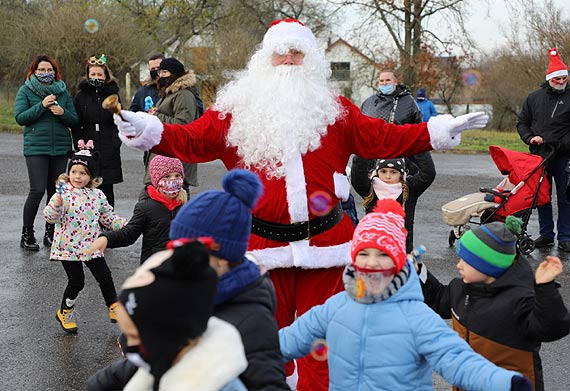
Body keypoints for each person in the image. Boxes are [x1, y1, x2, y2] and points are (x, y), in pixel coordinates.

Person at [112, 19, 488, 390]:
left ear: (309, 61)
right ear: (265, 60)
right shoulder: (236, 110)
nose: (289, 61)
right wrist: (148, 131)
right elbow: (192, 139)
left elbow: (382, 137)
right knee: (260, 346)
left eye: (296, 53)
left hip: (326, 249)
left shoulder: (333, 110)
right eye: (281, 54)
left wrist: (436, 131)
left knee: (322, 349)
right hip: (260, 252)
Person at [278, 199, 533, 391]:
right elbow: (289, 339)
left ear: (399, 261)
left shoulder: (416, 317)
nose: (373, 263)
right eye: (364, 254)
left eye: (383, 255)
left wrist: (504, 382)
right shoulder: (336, 307)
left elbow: (457, 360)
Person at [86, 169, 289, 390]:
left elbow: (269, 383)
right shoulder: (183, 289)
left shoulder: (252, 319)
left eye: (188, 249)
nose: (177, 258)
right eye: (176, 247)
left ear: (221, 255)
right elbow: (154, 359)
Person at [417, 216, 570, 391]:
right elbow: (438, 299)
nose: (458, 266)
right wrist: (419, 272)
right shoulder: (461, 288)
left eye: (466, 261)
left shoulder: (519, 300)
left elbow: (554, 327)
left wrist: (544, 288)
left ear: (487, 266)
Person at [115, 239, 248, 391]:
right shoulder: (163, 361)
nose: (126, 345)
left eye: (134, 336)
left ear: (171, 331)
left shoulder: (223, 386)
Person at [43, 147, 127, 333]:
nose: (77, 176)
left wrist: (127, 226)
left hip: (91, 245)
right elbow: (49, 217)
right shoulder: (62, 194)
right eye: (74, 172)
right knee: (77, 282)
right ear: (68, 173)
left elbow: (109, 218)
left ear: (91, 176)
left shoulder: (97, 196)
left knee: (104, 275)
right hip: (68, 247)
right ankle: (65, 311)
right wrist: (56, 204)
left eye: (83, 173)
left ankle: (113, 306)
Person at [353, 68, 436, 253]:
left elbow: (417, 132)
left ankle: (402, 257)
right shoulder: (368, 103)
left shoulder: (408, 103)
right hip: (373, 164)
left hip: (403, 163)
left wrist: (413, 145)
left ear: (395, 82)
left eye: (387, 80)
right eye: (381, 81)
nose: (384, 84)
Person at [14, 54, 79, 251]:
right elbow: (20, 117)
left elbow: (74, 120)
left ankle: (51, 234)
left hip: (60, 148)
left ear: (54, 72)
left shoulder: (63, 91)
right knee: (37, 190)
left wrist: (63, 113)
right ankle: (27, 234)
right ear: (34, 72)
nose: (45, 73)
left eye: (49, 70)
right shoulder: (26, 90)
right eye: (41, 70)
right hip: (36, 148)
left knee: (55, 192)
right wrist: (41, 106)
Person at [517, 47, 570, 252]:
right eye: (557, 79)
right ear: (549, 78)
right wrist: (530, 138)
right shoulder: (533, 98)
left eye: (564, 78)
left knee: (565, 197)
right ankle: (546, 234)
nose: (561, 82)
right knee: (542, 196)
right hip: (539, 156)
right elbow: (522, 123)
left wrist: (561, 144)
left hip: (564, 156)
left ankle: (565, 236)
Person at [89, 155, 187, 264]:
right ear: (156, 180)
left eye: (177, 175)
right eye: (167, 176)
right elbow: (129, 233)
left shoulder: (186, 207)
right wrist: (106, 238)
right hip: (155, 267)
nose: (173, 180)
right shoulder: (145, 207)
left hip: (182, 266)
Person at [351, 155, 435, 253]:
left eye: (393, 172)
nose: (388, 176)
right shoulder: (369, 188)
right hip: (373, 250)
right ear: (377, 172)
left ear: (401, 173)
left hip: (401, 250)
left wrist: (416, 146)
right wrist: (365, 148)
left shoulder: (409, 188)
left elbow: (428, 173)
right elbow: (358, 173)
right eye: (383, 171)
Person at [142, 57, 201, 193]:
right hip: (165, 156)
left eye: (164, 72)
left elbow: (183, 124)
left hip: (176, 161)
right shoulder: (169, 93)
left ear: (174, 74)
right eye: (160, 72)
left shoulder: (184, 95)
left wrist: (155, 116)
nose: (160, 76)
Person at [71, 54, 123, 207]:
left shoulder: (113, 95)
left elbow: (119, 120)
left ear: (105, 76)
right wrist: (78, 144)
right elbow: (76, 122)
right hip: (88, 144)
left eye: (99, 74)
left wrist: (116, 143)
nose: (96, 77)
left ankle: (108, 224)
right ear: (88, 75)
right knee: (88, 185)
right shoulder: (81, 96)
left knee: (107, 188)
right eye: (93, 74)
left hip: (108, 145)